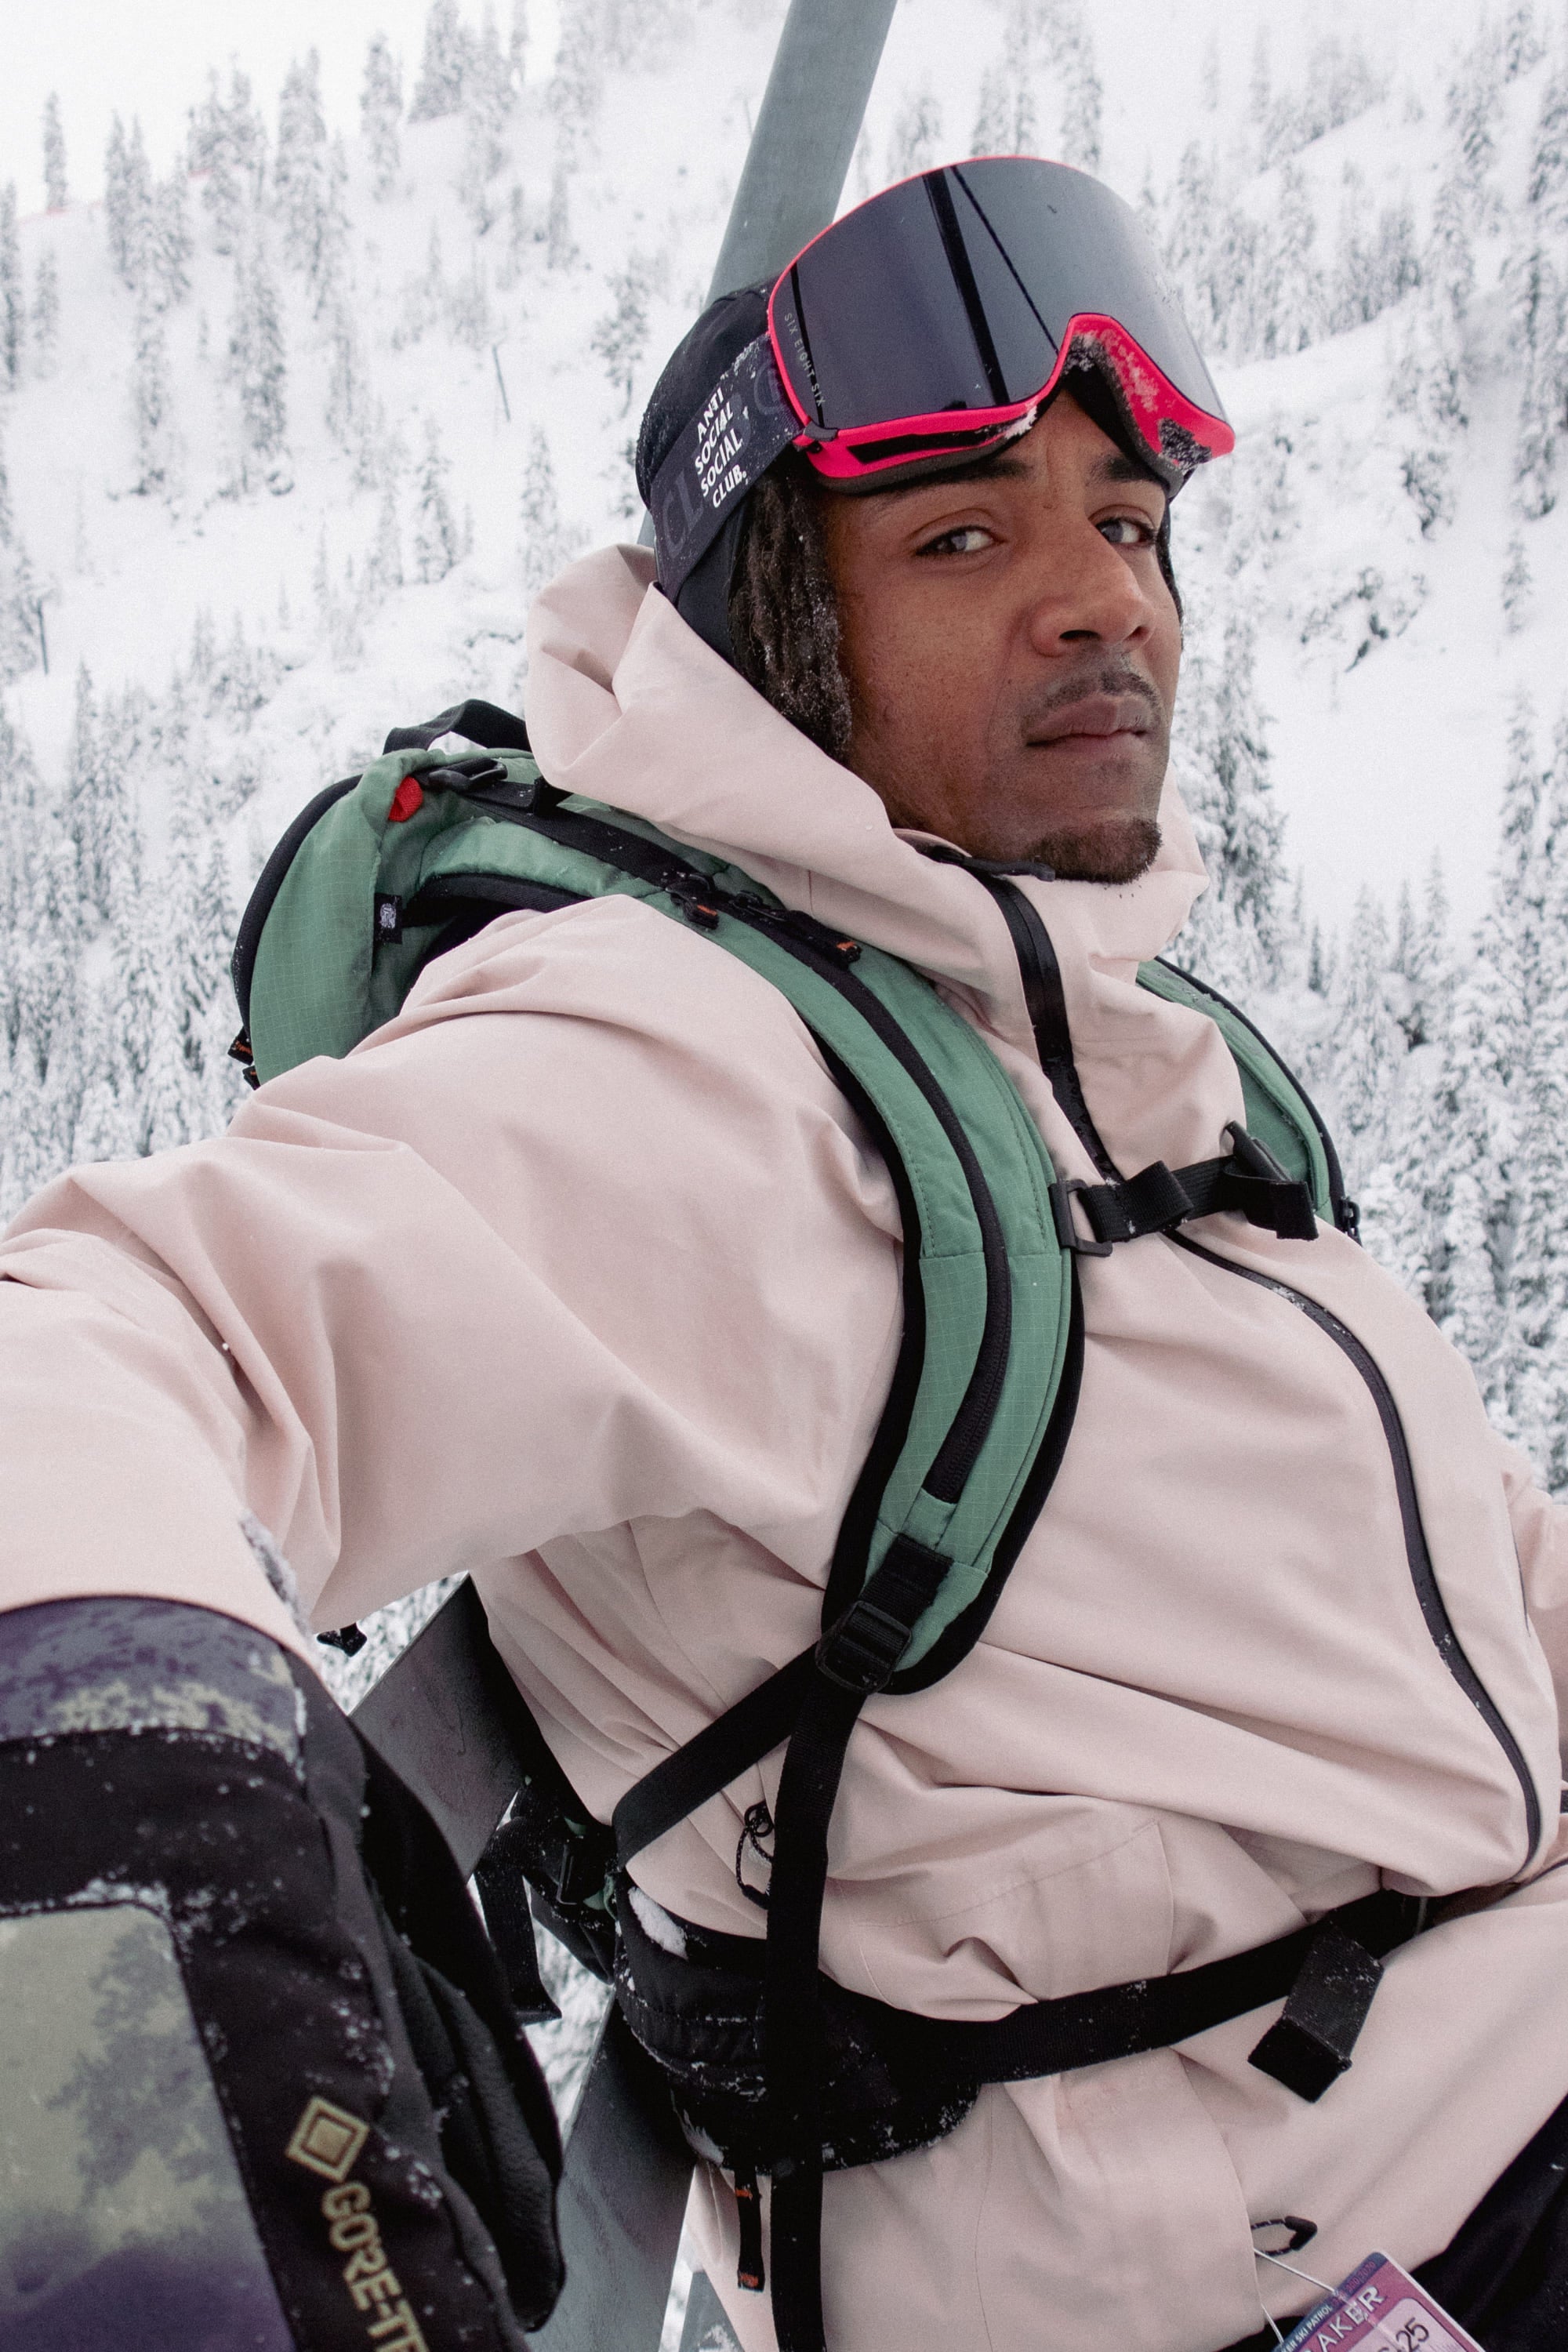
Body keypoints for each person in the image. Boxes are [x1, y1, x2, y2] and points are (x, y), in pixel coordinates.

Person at [2, 155, 1568, 2352]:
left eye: (1125, 524)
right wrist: (136, 1877)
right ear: (778, 638)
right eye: (963, 535)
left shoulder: (1099, 1036)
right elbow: (92, 1337)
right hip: (1305, 2244)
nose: (1102, 597)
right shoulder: (688, 1070)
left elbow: (1467, 1567)